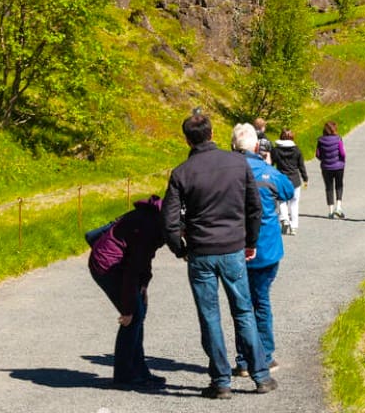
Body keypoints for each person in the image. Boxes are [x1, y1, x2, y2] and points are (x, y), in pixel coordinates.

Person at [161, 110, 276, 398]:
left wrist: (180, 249)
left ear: (187, 140)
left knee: (209, 315)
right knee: (244, 310)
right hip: (233, 248)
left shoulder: (181, 173)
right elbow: (254, 207)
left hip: (201, 251)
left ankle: (221, 381)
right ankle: (260, 376)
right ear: (212, 134)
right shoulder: (238, 163)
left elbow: (169, 220)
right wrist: (251, 241)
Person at [231, 124, 294, 378]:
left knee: (241, 304)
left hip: (235, 246)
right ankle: (264, 356)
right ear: (258, 146)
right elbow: (288, 191)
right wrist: (266, 163)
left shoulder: (229, 172)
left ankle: (244, 359)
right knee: (261, 301)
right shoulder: (267, 173)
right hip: (266, 248)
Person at [87, 195, 166, 388]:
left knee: (139, 313)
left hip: (122, 263)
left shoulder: (156, 218)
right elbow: (133, 268)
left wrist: (144, 285)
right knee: (133, 317)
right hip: (107, 264)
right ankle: (124, 375)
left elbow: (144, 258)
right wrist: (127, 308)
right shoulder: (151, 224)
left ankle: (139, 370)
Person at [271, 129, 308, 234]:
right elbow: (301, 166)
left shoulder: (276, 150)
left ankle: (285, 219)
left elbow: (271, 164)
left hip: (281, 179)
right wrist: (305, 178)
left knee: (282, 200)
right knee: (294, 203)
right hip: (295, 180)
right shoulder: (297, 150)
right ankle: (294, 226)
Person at [316, 120, 346, 219]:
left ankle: (330, 211)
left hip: (326, 167)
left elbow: (317, 154)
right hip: (338, 166)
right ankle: (338, 207)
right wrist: (342, 161)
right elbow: (342, 153)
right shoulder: (338, 139)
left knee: (329, 188)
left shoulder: (320, 140)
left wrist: (324, 160)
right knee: (339, 185)